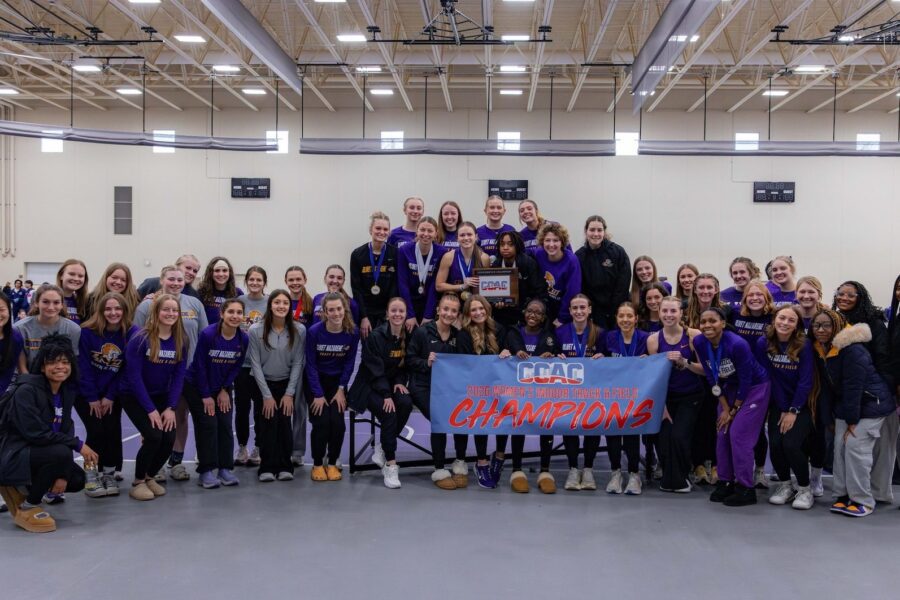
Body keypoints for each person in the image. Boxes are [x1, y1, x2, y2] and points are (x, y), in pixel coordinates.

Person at [0, 334, 97, 532]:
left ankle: (24, 488)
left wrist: (62, 473)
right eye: (52, 362)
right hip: (13, 454)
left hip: (41, 452)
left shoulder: (66, 391)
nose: (60, 367)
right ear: (42, 366)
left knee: (76, 479)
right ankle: (28, 505)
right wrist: (78, 444)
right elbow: (35, 434)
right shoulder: (26, 390)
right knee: (61, 453)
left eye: (64, 362)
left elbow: (66, 428)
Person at [812, 308, 895, 517]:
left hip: (870, 405)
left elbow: (854, 387)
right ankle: (842, 495)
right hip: (848, 406)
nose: (820, 329)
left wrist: (851, 420)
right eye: (816, 325)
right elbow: (827, 388)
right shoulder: (822, 348)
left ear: (837, 326)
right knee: (839, 447)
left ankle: (863, 500)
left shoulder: (852, 350)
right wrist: (827, 419)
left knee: (856, 448)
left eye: (826, 325)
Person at [134, 265, 208, 481]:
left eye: (179, 279)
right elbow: (136, 339)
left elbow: (204, 338)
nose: (175, 283)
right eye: (171, 279)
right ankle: (151, 466)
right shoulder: (147, 306)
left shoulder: (194, 304)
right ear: (162, 280)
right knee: (153, 422)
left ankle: (176, 461)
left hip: (187, 373)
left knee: (180, 416)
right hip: (156, 375)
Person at [694, 307, 770, 507]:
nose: (707, 325)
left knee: (738, 434)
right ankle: (725, 481)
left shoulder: (738, 344)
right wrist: (725, 409)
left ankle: (745, 488)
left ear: (723, 323)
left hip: (754, 388)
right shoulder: (699, 342)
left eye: (713, 321)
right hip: (728, 389)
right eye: (703, 322)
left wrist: (733, 410)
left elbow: (746, 380)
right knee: (722, 432)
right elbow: (712, 377)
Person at [832, 280, 897, 504]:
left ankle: (878, 494)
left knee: (880, 450)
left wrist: (882, 395)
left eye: (851, 294)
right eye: (841, 294)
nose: (845, 298)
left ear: (861, 297)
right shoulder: (835, 320)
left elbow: (883, 360)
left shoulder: (874, 323)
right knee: (846, 446)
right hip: (850, 394)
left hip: (876, 395)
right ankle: (846, 493)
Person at [119, 294, 188, 501]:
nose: (170, 314)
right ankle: (138, 481)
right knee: (153, 436)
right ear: (156, 313)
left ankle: (150, 477)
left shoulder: (181, 340)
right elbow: (134, 377)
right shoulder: (140, 339)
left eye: (174, 310)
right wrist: (150, 410)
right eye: (166, 309)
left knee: (168, 437)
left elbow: (178, 377)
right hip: (134, 395)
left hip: (161, 396)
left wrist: (170, 407)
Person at [456, 294, 521, 489]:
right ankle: (482, 462)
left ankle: (499, 455)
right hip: (476, 388)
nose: (478, 312)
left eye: (481, 308)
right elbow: (465, 363)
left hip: (498, 386)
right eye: (473, 310)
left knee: (505, 414)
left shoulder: (499, 329)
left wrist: (505, 353)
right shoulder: (464, 334)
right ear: (468, 314)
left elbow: (507, 354)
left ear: (487, 309)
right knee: (481, 418)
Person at [77, 292, 138, 499]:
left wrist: (110, 396)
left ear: (125, 310)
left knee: (112, 430)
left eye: (118, 308)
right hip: (86, 393)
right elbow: (83, 367)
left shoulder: (131, 333)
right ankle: (92, 474)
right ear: (101, 311)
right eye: (108, 309)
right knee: (96, 430)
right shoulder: (87, 332)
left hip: (112, 393)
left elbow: (126, 369)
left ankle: (109, 473)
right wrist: (93, 397)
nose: (113, 313)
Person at [754, 305, 816, 510]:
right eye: (782, 318)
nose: (785, 323)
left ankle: (805, 489)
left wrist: (793, 410)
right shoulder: (763, 342)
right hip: (778, 404)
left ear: (797, 324)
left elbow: (806, 381)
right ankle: (785, 486)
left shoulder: (804, 345)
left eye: (791, 320)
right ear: (774, 319)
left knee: (790, 444)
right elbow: (768, 377)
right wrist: (782, 407)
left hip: (801, 405)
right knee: (777, 444)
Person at [348, 297, 412, 489]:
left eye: (401, 311)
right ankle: (391, 464)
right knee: (389, 412)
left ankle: (383, 447)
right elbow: (374, 370)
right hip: (368, 386)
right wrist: (386, 395)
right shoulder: (375, 337)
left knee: (406, 403)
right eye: (393, 310)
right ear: (387, 313)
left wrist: (400, 383)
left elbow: (404, 367)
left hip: (390, 384)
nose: (397, 314)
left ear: (406, 314)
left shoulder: (407, 336)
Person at [184, 299, 248, 489]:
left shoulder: (243, 338)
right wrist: (206, 396)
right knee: (208, 425)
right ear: (222, 314)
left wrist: (224, 389)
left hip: (222, 387)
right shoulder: (209, 334)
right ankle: (206, 471)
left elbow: (237, 365)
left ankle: (225, 469)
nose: (235, 316)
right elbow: (200, 366)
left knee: (226, 426)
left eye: (239, 312)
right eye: (231, 312)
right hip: (197, 386)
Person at [405, 293, 466, 490]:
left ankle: (460, 463)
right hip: (423, 386)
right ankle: (439, 468)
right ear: (438, 310)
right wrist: (426, 363)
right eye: (446, 309)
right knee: (440, 418)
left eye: (453, 311)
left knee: (460, 416)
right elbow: (409, 360)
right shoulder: (422, 333)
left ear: (457, 314)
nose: (449, 313)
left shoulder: (458, 336)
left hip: (447, 387)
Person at [248, 290, 306, 482]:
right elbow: (255, 364)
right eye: (277, 302)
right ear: (270, 305)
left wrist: (289, 394)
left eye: (285, 303)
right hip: (263, 385)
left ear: (290, 307)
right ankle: (266, 467)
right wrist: (266, 395)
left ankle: (285, 466)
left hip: (287, 384)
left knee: (284, 425)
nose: (281, 306)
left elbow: (298, 362)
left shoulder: (299, 330)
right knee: (267, 425)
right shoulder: (255, 330)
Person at [648, 297, 704, 493]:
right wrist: (661, 406)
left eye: (673, 311)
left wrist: (684, 362)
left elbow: (705, 370)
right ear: (659, 312)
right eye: (665, 311)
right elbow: (653, 377)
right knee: (664, 438)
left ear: (681, 313)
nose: (668, 315)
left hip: (691, 395)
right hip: (666, 397)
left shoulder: (694, 336)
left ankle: (681, 479)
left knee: (680, 436)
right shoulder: (653, 339)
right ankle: (670, 479)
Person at [306, 293, 359, 482]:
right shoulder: (314, 332)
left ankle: (333, 461)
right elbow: (310, 365)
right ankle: (318, 463)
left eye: (339, 309)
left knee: (337, 423)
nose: (336, 313)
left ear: (344, 309)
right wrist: (317, 394)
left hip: (337, 384)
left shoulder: (353, 332)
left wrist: (341, 388)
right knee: (321, 423)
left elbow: (349, 363)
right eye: (331, 310)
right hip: (316, 382)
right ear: (325, 312)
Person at [556, 294, 605, 491]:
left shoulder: (600, 332)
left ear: (590, 309)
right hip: (569, 391)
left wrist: (605, 356)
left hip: (592, 390)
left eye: (582, 307)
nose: (579, 311)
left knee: (591, 428)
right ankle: (573, 469)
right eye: (575, 308)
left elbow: (609, 360)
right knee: (571, 428)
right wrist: (555, 356)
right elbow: (550, 354)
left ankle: (589, 469)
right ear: (569, 311)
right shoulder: (560, 332)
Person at [510, 298, 558, 493]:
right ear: (524, 312)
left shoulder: (549, 337)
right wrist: (507, 352)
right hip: (518, 392)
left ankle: (545, 471)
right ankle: (516, 470)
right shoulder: (513, 333)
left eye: (538, 313)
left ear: (543, 317)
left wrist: (554, 355)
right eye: (530, 310)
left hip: (542, 393)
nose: (533, 315)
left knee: (546, 427)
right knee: (518, 427)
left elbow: (559, 355)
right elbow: (502, 354)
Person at [602, 302, 649, 495]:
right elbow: (601, 360)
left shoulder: (646, 339)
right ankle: (615, 473)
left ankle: (634, 474)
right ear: (616, 318)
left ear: (636, 319)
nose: (625, 320)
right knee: (612, 433)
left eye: (629, 316)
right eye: (621, 316)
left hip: (637, 395)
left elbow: (656, 362)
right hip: (613, 394)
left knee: (631, 434)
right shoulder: (609, 337)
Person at [234, 266, 268, 467]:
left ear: (265, 282)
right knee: (241, 408)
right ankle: (242, 446)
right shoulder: (240, 303)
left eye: (259, 280)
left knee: (261, 409)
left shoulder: (270, 302)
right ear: (246, 281)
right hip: (241, 365)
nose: (255, 283)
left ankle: (259, 447)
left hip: (262, 366)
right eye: (252, 279)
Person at [575, 215, 631, 330]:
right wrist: (591, 311)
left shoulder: (618, 252)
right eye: (592, 230)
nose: (596, 234)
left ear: (604, 232)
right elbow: (581, 287)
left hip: (616, 311)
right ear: (586, 231)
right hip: (593, 313)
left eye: (599, 230)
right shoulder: (579, 256)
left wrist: (614, 310)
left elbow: (623, 283)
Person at [350, 212, 398, 338]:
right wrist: (363, 317)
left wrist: (390, 312)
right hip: (366, 311)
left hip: (386, 311)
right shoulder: (357, 254)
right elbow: (356, 289)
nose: (381, 232)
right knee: (368, 347)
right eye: (378, 228)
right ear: (370, 230)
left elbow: (395, 285)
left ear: (389, 232)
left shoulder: (395, 253)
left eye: (385, 229)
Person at [15, 284, 81, 371]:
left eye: (56, 302)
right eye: (45, 302)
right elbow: (20, 366)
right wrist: (29, 382)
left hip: (60, 378)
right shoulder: (19, 328)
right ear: (36, 303)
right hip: (27, 379)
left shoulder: (73, 329)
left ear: (62, 305)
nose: (51, 307)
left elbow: (71, 361)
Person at [397, 217, 448, 331]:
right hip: (409, 303)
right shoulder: (404, 250)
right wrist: (409, 315)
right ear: (417, 231)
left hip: (430, 303)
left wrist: (428, 315)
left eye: (430, 231)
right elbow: (402, 283)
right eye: (422, 230)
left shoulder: (442, 252)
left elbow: (434, 286)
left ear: (436, 233)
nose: (426, 234)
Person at [533, 222, 581, 326]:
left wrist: (562, 318)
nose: (551, 245)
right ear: (542, 241)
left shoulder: (571, 261)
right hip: (545, 307)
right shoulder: (539, 253)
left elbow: (572, 292)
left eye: (556, 240)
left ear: (562, 242)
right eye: (547, 240)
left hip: (563, 310)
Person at [435, 221, 491, 300]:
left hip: (476, 304)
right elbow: (439, 286)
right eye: (462, 235)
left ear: (476, 237)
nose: (466, 238)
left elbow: (488, 286)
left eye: (469, 234)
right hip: (454, 303)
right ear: (457, 238)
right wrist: (461, 286)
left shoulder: (484, 258)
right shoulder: (448, 257)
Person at [197, 256, 243, 325]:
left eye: (224, 270)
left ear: (229, 273)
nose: (221, 274)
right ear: (210, 273)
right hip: (208, 334)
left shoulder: (237, 293)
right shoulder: (201, 293)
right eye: (217, 270)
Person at [137, 254, 201, 299]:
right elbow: (133, 302)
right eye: (188, 268)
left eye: (195, 271)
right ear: (177, 266)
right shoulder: (151, 284)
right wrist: (145, 302)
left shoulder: (194, 295)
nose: (191, 272)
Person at [476, 195, 515, 262]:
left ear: (504, 211)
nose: (495, 210)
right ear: (485, 210)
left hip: (507, 271)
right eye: (492, 207)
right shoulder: (478, 232)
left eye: (499, 207)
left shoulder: (511, 230)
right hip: (484, 271)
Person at [56, 259, 89, 324]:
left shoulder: (84, 302)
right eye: (71, 274)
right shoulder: (48, 300)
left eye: (80, 276)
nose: (76, 278)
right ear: (61, 276)